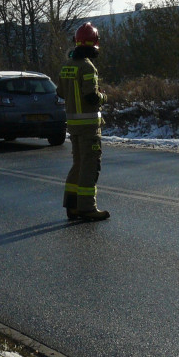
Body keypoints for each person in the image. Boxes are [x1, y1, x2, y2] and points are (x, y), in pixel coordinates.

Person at [58, 23, 110, 221]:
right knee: (90, 165)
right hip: (89, 127)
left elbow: (60, 92)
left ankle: (72, 206)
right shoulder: (88, 66)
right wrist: (104, 97)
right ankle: (87, 208)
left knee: (78, 164)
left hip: (73, 126)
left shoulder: (67, 66)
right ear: (94, 44)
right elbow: (91, 96)